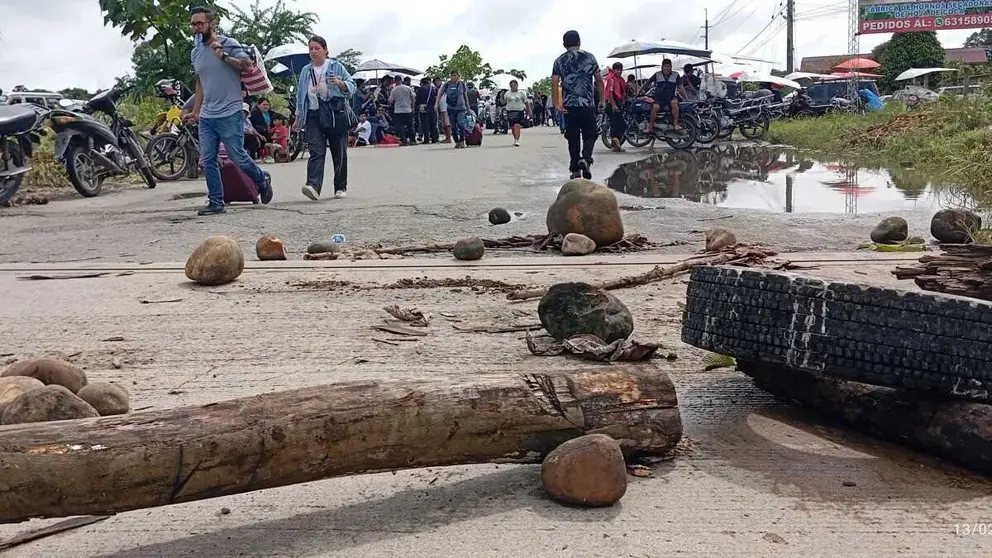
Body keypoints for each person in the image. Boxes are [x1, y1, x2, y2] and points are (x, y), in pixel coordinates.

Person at [184, 5, 273, 215]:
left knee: (237, 156)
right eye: (193, 24)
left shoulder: (228, 44)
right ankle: (216, 202)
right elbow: (200, 83)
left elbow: (246, 65)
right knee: (208, 160)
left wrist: (223, 55)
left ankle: (262, 178)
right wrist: (195, 111)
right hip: (207, 115)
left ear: (211, 24)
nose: (196, 28)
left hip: (230, 111)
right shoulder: (195, 52)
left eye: (200, 23)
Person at [292, 35, 357, 201]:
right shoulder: (306, 71)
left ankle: (340, 186)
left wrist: (340, 83)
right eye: (311, 49)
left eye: (317, 48)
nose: (314, 51)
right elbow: (301, 96)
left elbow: (352, 86)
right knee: (316, 150)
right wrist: (298, 117)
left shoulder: (336, 66)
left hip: (335, 113)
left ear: (325, 50)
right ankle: (313, 185)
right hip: (313, 113)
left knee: (339, 150)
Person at [551, 30, 604, 179]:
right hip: (587, 104)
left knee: (573, 137)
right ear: (579, 42)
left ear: (564, 44)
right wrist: (602, 100)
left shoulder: (559, 61)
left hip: (569, 106)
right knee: (590, 134)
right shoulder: (590, 57)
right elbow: (599, 80)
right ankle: (586, 159)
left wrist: (556, 103)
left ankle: (575, 168)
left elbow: (555, 83)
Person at [645, 59, 684, 133]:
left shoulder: (676, 75)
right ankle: (650, 126)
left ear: (671, 67)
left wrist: (685, 96)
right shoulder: (657, 74)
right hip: (659, 99)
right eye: (665, 66)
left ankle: (675, 124)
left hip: (671, 97)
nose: (667, 68)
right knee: (655, 107)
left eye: (668, 66)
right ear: (662, 67)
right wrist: (639, 92)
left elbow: (681, 87)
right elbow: (647, 83)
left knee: (674, 103)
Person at [437, 70, 470, 149]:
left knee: (461, 124)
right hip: (451, 108)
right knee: (453, 126)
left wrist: (468, 108)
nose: (453, 77)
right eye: (452, 75)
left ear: (458, 76)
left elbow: (465, 96)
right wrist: (436, 103)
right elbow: (440, 93)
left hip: (461, 108)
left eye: (455, 75)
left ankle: (462, 141)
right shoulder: (447, 84)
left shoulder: (462, 84)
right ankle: (457, 141)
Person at [604, 61, 627, 152]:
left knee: (616, 123)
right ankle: (615, 141)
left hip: (617, 103)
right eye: (617, 70)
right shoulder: (611, 79)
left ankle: (615, 144)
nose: (619, 71)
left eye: (620, 70)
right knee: (619, 124)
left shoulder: (620, 79)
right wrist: (614, 105)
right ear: (614, 70)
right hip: (612, 104)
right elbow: (610, 93)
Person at [389, 77, 417, 145]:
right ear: (401, 80)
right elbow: (413, 98)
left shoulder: (394, 90)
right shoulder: (408, 88)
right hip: (408, 110)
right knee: (410, 126)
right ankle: (412, 140)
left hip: (398, 111)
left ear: (395, 81)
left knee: (400, 127)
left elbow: (390, 101)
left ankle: (404, 141)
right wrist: (412, 107)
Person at [504, 80, 529, 147]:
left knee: (517, 125)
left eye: (514, 85)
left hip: (519, 111)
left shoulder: (521, 93)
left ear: (517, 85)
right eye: (511, 85)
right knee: (512, 126)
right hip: (510, 111)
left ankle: (517, 140)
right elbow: (504, 101)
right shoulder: (507, 93)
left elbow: (526, 102)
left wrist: (528, 111)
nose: (513, 87)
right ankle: (515, 138)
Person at [416, 77, 439, 144]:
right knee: (433, 124)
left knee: (425, 124)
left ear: (422, 83)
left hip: (424, 108)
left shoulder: (420, 90)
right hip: (432, 108)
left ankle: (426, 139)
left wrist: (417, 106)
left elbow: (418, 100)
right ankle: (434, 138)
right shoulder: (434, 90)